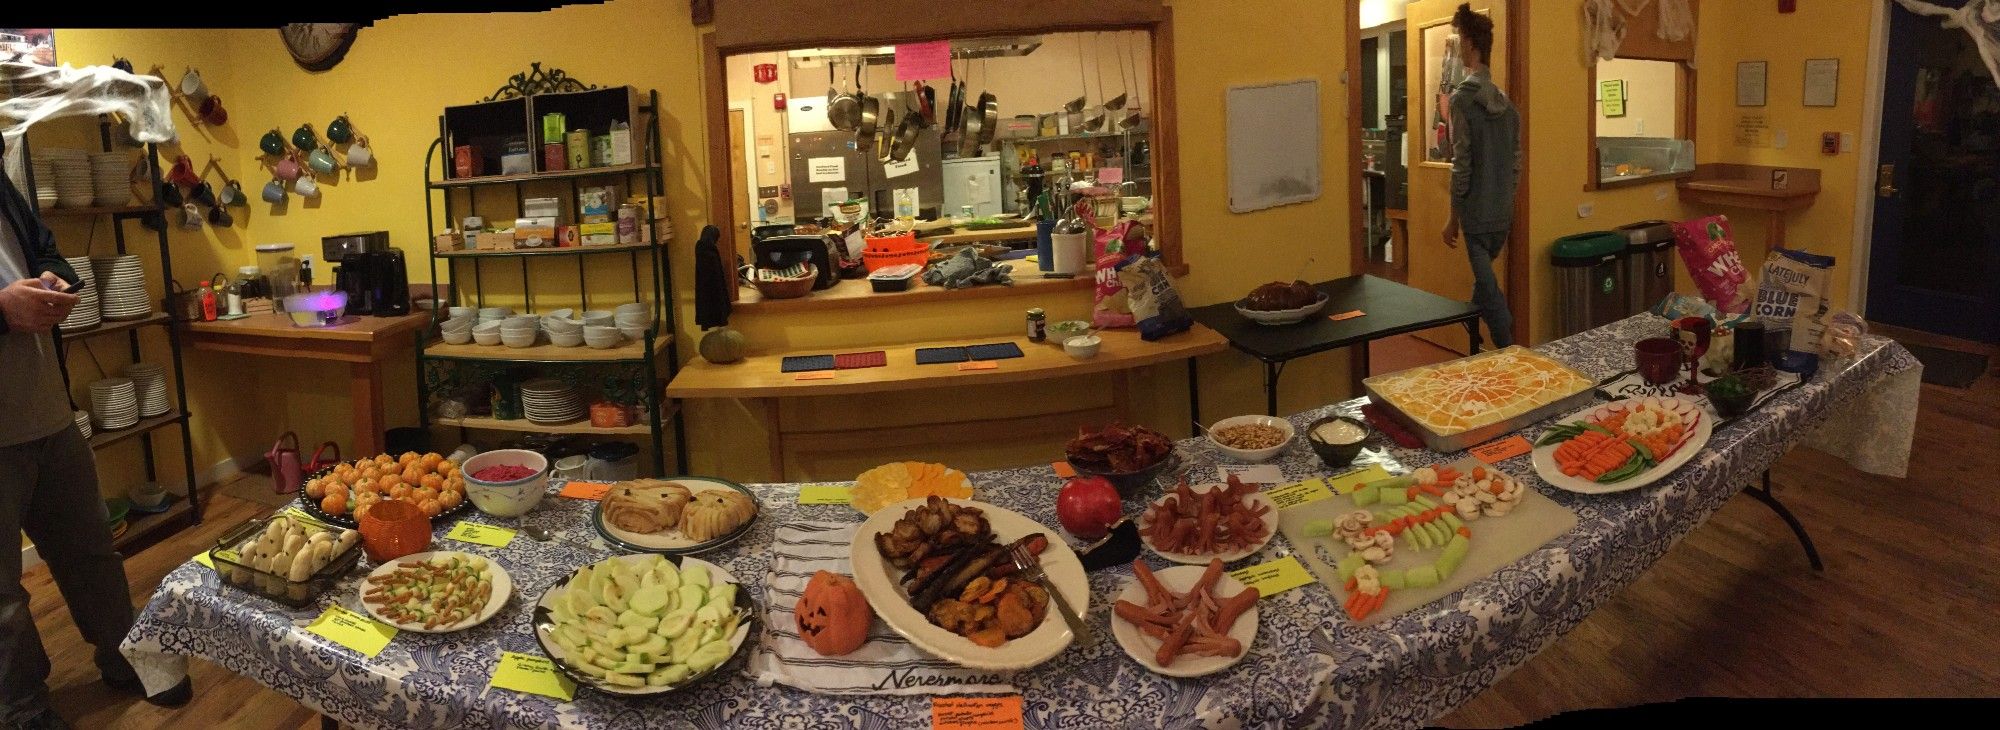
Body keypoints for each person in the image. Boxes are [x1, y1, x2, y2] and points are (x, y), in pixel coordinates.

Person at [0, 137, 189, 728]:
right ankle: (22, 710)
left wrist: (54, 280)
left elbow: (47, 251)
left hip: (48, 413)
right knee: (2, 600)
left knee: (90, 552)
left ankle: (125, 657)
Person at [1440, 2, 1521, 348]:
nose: (1459, 47)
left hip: (1476, 217)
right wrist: (1505, 200)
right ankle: (1476, 348)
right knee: (1482, 291)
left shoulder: (1462, 100)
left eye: (1459, 39)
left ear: (1470, 44)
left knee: (1491, 298)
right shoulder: (1508, 106)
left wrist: (1452, 218)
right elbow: (1516, 164)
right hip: (1502, 214)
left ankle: (1512, 354)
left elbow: (1462, 165)